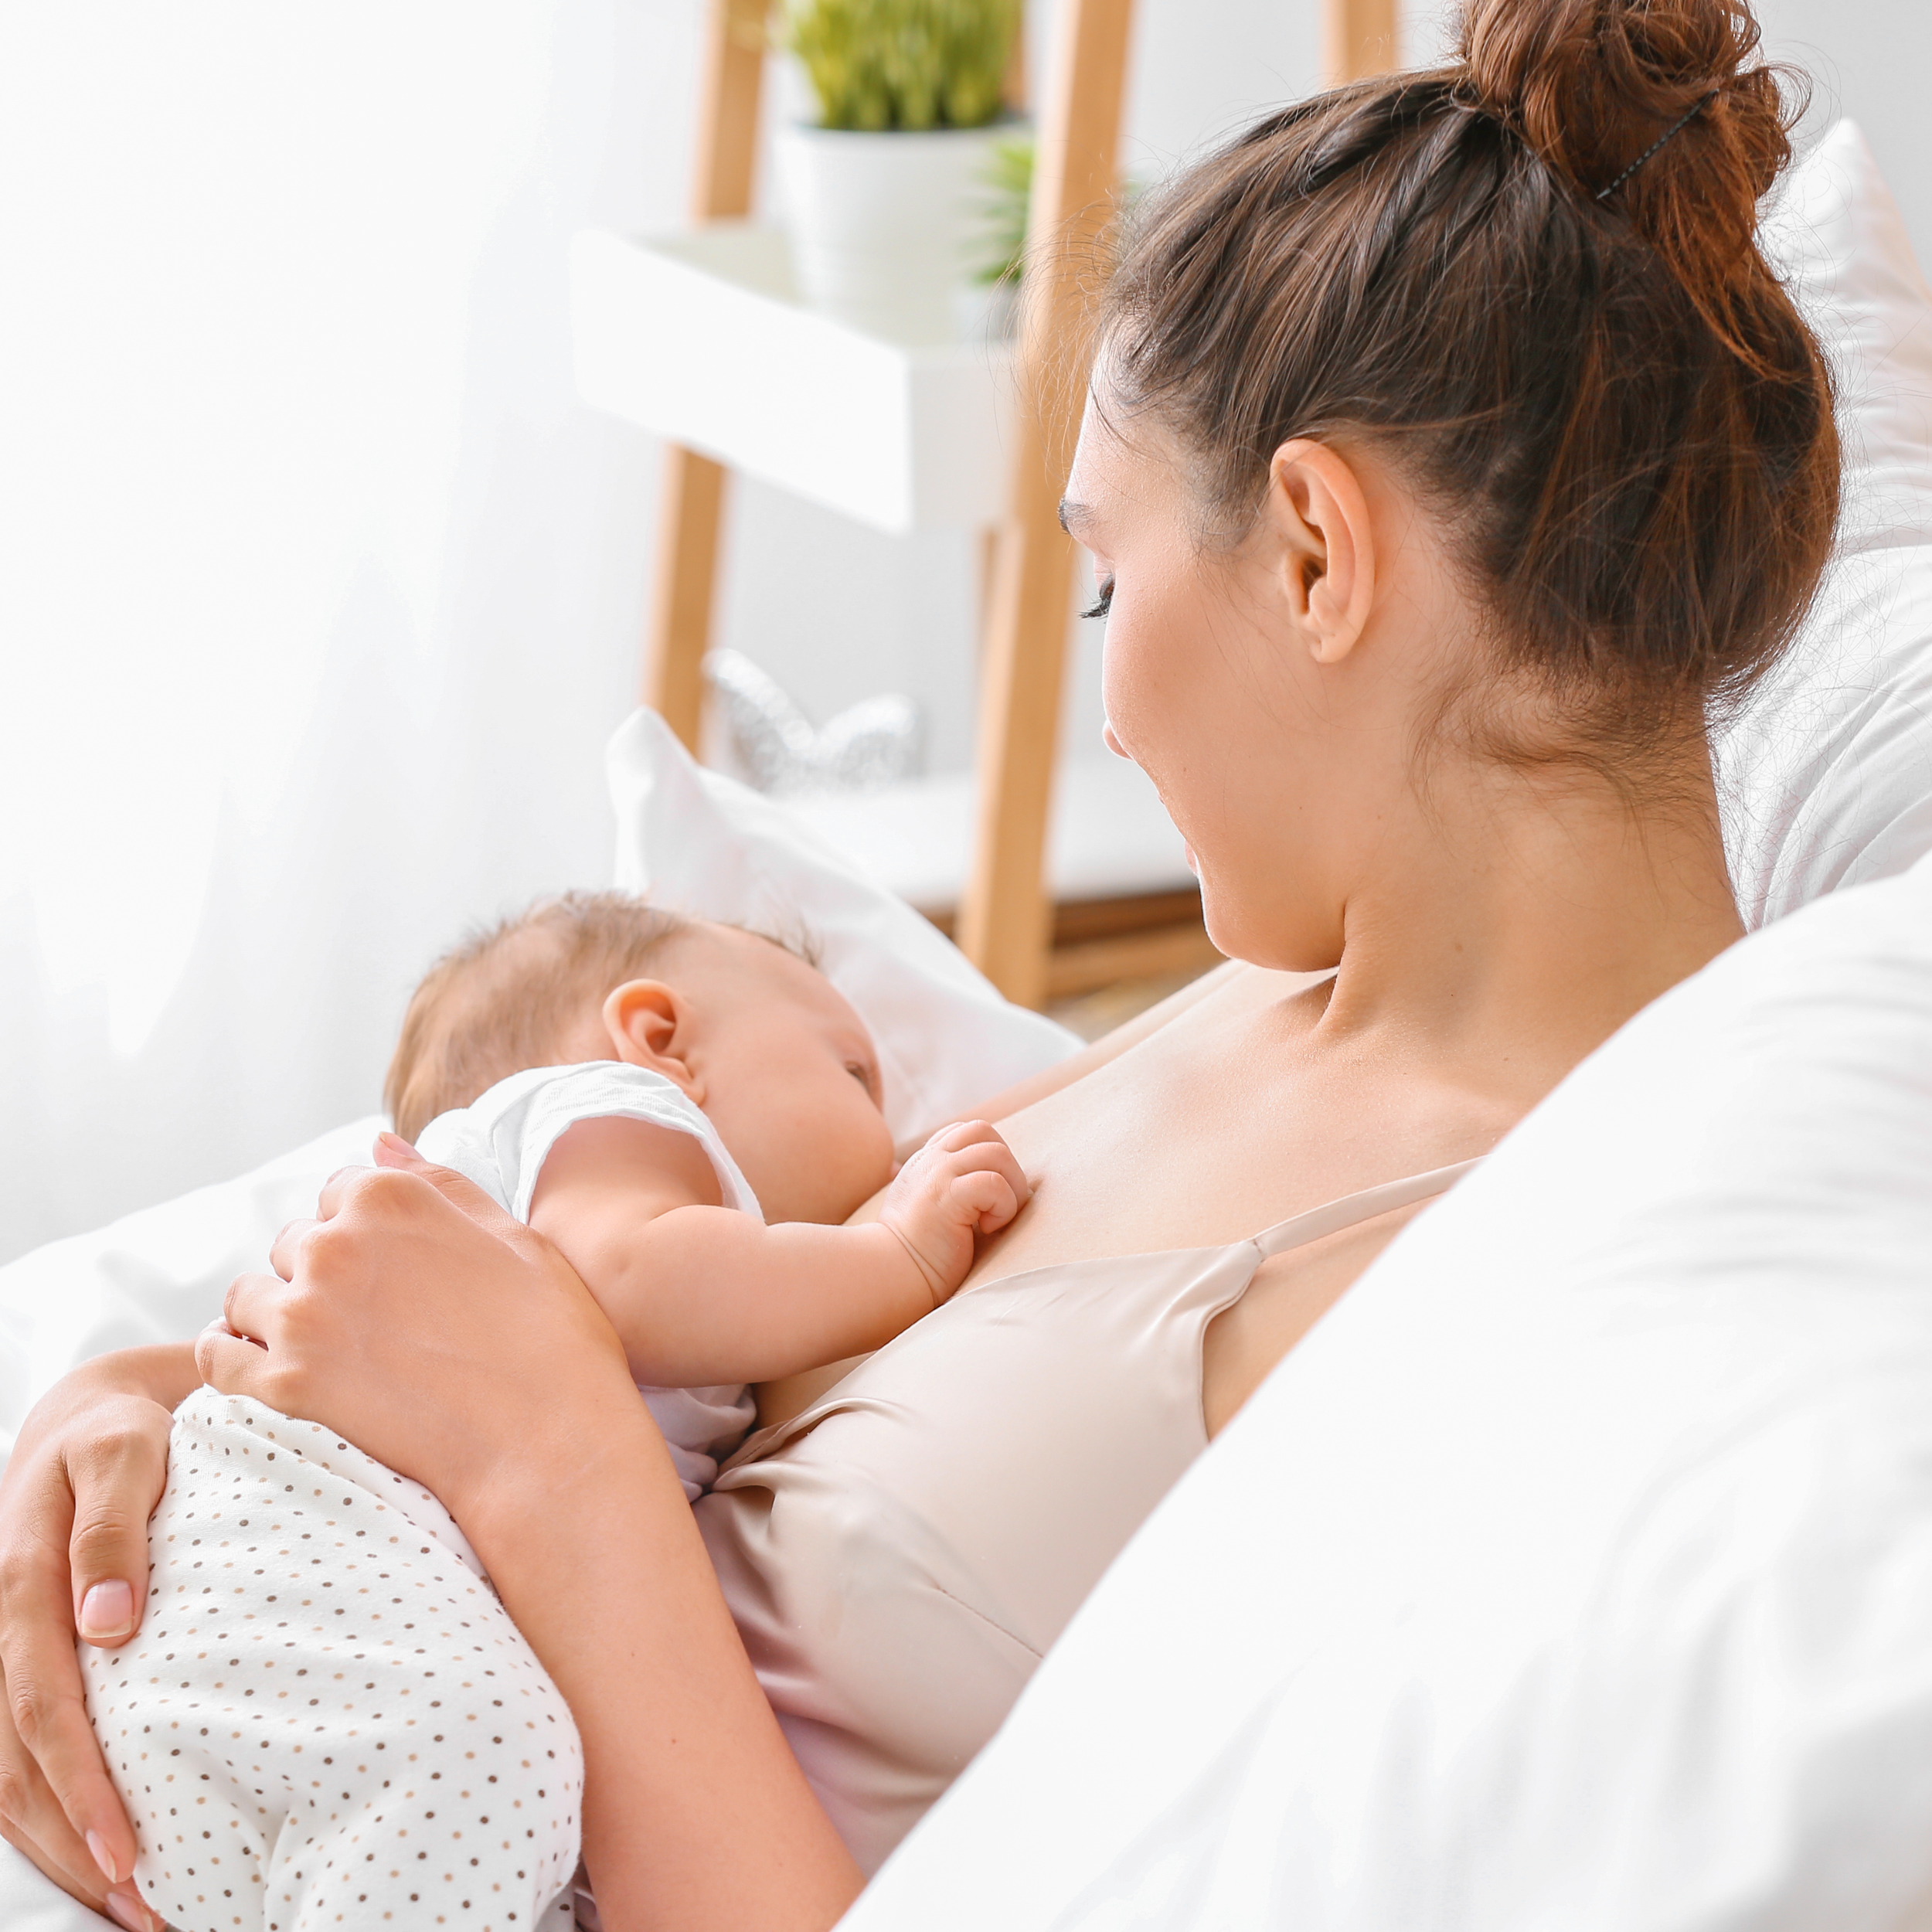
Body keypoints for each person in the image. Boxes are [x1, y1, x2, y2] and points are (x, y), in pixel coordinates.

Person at [0, 0, 1837, 1926]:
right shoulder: (1256, 1013)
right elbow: (655, 1314)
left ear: (1311, 552)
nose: (1108, 712)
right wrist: (116, 1408)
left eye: (1111, 578)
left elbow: (585, 1435)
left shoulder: (1498, 1275)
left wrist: (552, 1458)